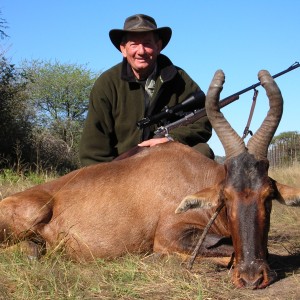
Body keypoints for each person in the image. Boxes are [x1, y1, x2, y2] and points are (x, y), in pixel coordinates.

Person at [79, 14, 214, 166]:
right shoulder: (106, 84)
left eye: (147, 43)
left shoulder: (179, 78)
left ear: (158, 46)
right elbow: (92, 151)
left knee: (202, 151)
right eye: (134, 44)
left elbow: (203, 121)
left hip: (167, 162)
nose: (141, 51)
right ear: (123, 49)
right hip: (122, 170)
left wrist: (171, 138)